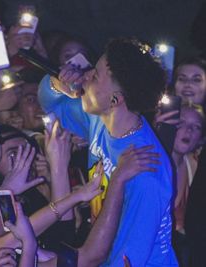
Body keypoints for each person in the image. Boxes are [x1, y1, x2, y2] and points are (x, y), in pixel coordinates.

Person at [38, 38, 178, 266]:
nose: (84, 76)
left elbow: (128, 259)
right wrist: (57, 84)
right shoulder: (99, 119)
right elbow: (50, 103)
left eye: (94, 76)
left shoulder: (147, 170)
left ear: (116, 99)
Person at [171, 104, 205, 267]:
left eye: (196, 127)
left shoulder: (194, 165)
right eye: (182, 123)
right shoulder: (151, 160)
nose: (189, 130)